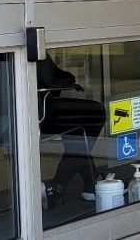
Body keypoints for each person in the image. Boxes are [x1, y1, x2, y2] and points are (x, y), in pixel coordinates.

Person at [38, 55, 105, 210]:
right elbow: (50, 78)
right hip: (40, 114)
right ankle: (56, 188)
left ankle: (90, 181)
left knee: (77, 128)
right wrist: (68, 79)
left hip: (3, 115)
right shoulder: (35, 44)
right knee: (95, 113)